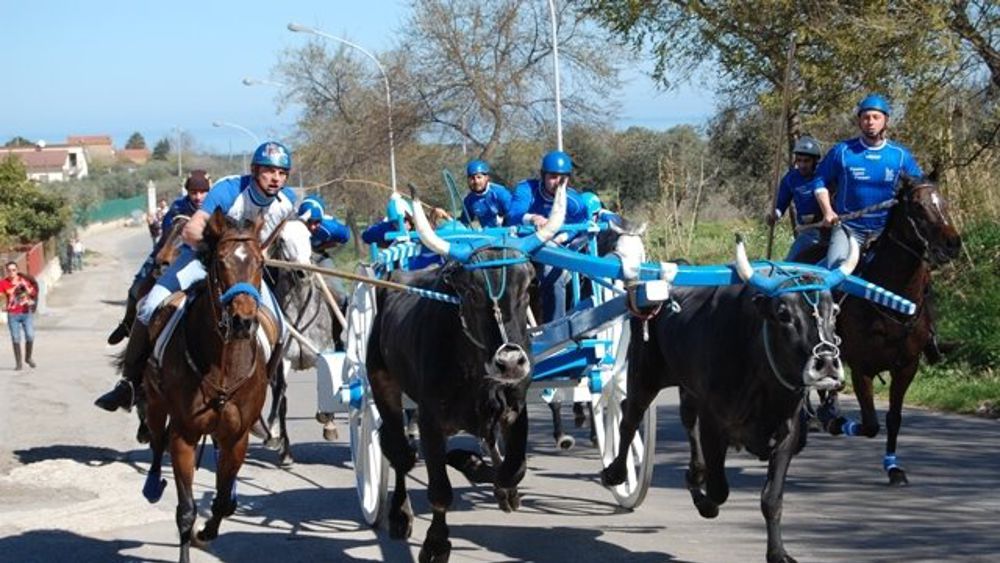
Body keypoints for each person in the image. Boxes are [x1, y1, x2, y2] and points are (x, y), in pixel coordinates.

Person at [95, 141, 302, 412]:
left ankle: (260, 387)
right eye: (269, 171)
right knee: (147, 307)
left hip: (243, 270)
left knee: (282, 329)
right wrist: (216, 251)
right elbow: (192, 231)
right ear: (254, 170)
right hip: (201, 258)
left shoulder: (286, 204)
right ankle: (129, 384)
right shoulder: (229, 190)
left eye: (282, 173)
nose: (276, 178)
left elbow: (270, 240)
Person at [814, 94, 922, 268]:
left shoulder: (900, 155)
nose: (870, 122)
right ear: (859, 122)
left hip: (886, 232)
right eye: (865, 117)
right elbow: (819, 181)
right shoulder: (842, 151)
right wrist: (827, 211)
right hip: (848, 229)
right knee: (834, 272)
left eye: (875, 117)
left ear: (885, 120)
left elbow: (919, 187)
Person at [106, 170, 212, 345]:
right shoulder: (178, 207)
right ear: (188, 192)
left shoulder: (216, 208)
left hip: (202, 258)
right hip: (170, 253)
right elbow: (167, 235)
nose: (198, 197)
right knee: (136, 289)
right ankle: (128, 324)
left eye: (202, 192)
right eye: (194, 192)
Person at [507, 150, 589, 322]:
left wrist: (562, 237)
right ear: (542, 175)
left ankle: (556, 325)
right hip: (523, 244)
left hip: (554, 248)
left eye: (563, 178)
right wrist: (532, 218)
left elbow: (581, 226)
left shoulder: (574, 201)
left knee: (553, 273)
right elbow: (513, 214)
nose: (558, 182)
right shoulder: (526, 189)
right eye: (552, 176)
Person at [766, 135, 825, 261]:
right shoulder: (791, 178)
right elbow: (780, 205)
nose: (802, 165)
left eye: (807, 161)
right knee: (790, 263)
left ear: (815, 161)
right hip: (807, 232)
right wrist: (774, 215)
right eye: (799, 160)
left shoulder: (825, 175)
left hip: (829, 232)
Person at [0, 262, 38, 370]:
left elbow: (33, 292)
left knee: (30, 335)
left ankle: (28, 357)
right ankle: (18, 363)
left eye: (14, 270)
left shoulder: (24, 280)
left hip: (26, 312)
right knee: (16, 338)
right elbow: (1, 297)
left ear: (17, 270)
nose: (12, 272)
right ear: (6, 271)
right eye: (9, 270)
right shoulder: (3, 283)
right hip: (13, 314)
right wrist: (9, 292)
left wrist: (28, 289)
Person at [458, 159, 512, 228]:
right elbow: (464, 223)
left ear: (487, 178)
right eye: (472, 178)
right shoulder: (469, 200)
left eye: (479, 177)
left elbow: (515, 215)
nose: (476, 181)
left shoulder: (501, 193)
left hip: (507, 235)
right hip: (487, 236)